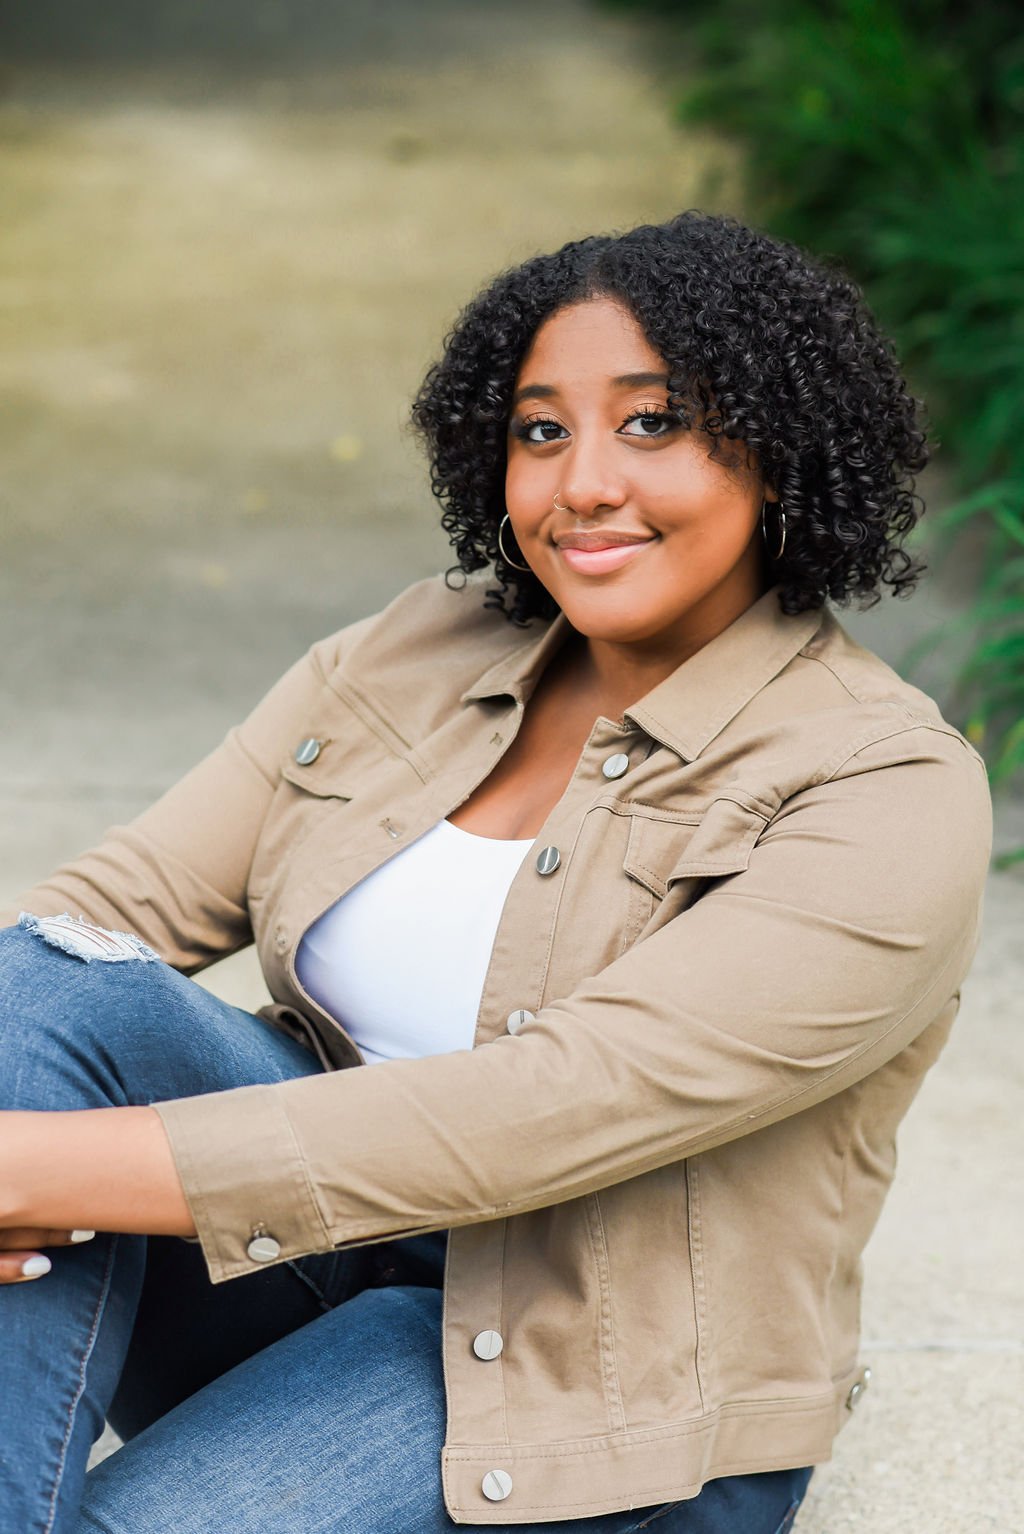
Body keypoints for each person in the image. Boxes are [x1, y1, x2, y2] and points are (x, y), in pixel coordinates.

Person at [0, 210, 992, 1534]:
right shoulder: (421, 645)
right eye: (540, 429)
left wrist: (33, 1171)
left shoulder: (880, 787)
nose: (582, 482)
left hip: (585, 1378)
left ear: (780, 447)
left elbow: (555, 1105)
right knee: (49, 992)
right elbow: (105, 913)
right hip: (302, 1266)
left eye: (655, 422)